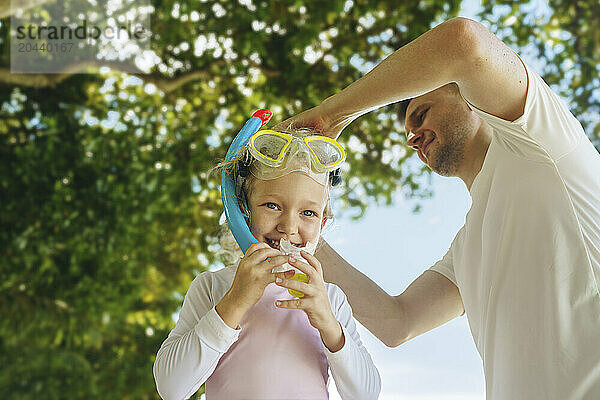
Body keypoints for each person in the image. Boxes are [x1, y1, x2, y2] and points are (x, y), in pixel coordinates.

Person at [275, 17, 600, 399]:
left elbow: (464, 42)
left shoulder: (541, 144)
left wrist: (332, 114)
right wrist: (296, 229)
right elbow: (398, 323)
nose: (412, 137)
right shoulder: (466, 247)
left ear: (470, 98)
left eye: (421, 114)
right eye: (409, 130)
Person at [153, 128, 381, 400]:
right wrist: (235, 302)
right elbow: (171, 387)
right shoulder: (213, 287)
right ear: (243, 211)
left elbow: (366, 394)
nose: (288, 227)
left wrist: (329, 326)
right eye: (272, 205)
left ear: (322, 224)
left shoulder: (330, 299)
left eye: (307, 212)